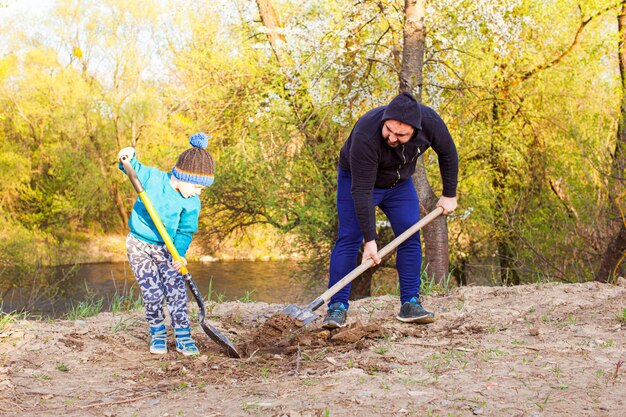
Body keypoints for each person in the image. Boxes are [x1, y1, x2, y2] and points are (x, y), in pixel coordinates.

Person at [322, 92, 458, 329]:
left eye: (401, 134)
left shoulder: (431, 122)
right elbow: (362, 191)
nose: (392, 138)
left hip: (398, 184)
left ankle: (410, 303)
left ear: (415, 130)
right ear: (385, 119)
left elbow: (448, 153)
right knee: (349, 238)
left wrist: (449, 193)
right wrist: (370, 241)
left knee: (409, 235)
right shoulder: (366, 132)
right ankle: (337, 307)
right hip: (359, 182)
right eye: (389, 130)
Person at [118, 132, 214, 356]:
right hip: (139, 246)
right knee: (153, 294)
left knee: (177, 293)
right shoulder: (153, 179)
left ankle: (183, 336)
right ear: (183, 177)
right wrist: (127, 155)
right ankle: (158, 332)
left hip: (167, 249)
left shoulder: (192, 202)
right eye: (198, 187)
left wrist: (178, 254)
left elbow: (185, 230)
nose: (199, 193)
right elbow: (131, 166)